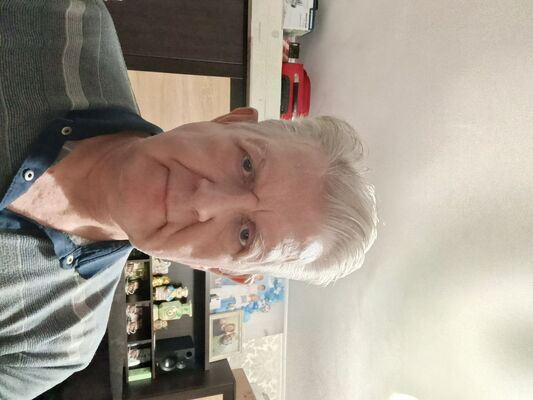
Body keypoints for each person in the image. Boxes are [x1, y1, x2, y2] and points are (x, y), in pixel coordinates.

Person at [0, 1, 377, 398]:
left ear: (217, 268)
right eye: (247, 164)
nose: (205, 202)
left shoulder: (53, 346)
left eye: (245, 235)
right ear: (230, 121)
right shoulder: (63, 22)